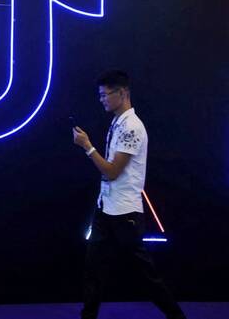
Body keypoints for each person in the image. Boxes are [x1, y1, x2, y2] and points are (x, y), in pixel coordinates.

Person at [72, 70, 186, 319]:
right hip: (106, 208)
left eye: (104, 95)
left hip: (125, 215)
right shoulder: (117, 122)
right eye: (100, 95)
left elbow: (112, 172)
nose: (101, 99)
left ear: (122, 93)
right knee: (93, 270)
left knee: (146, 277)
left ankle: (177, 317)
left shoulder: (132, 127)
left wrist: (87, 146)